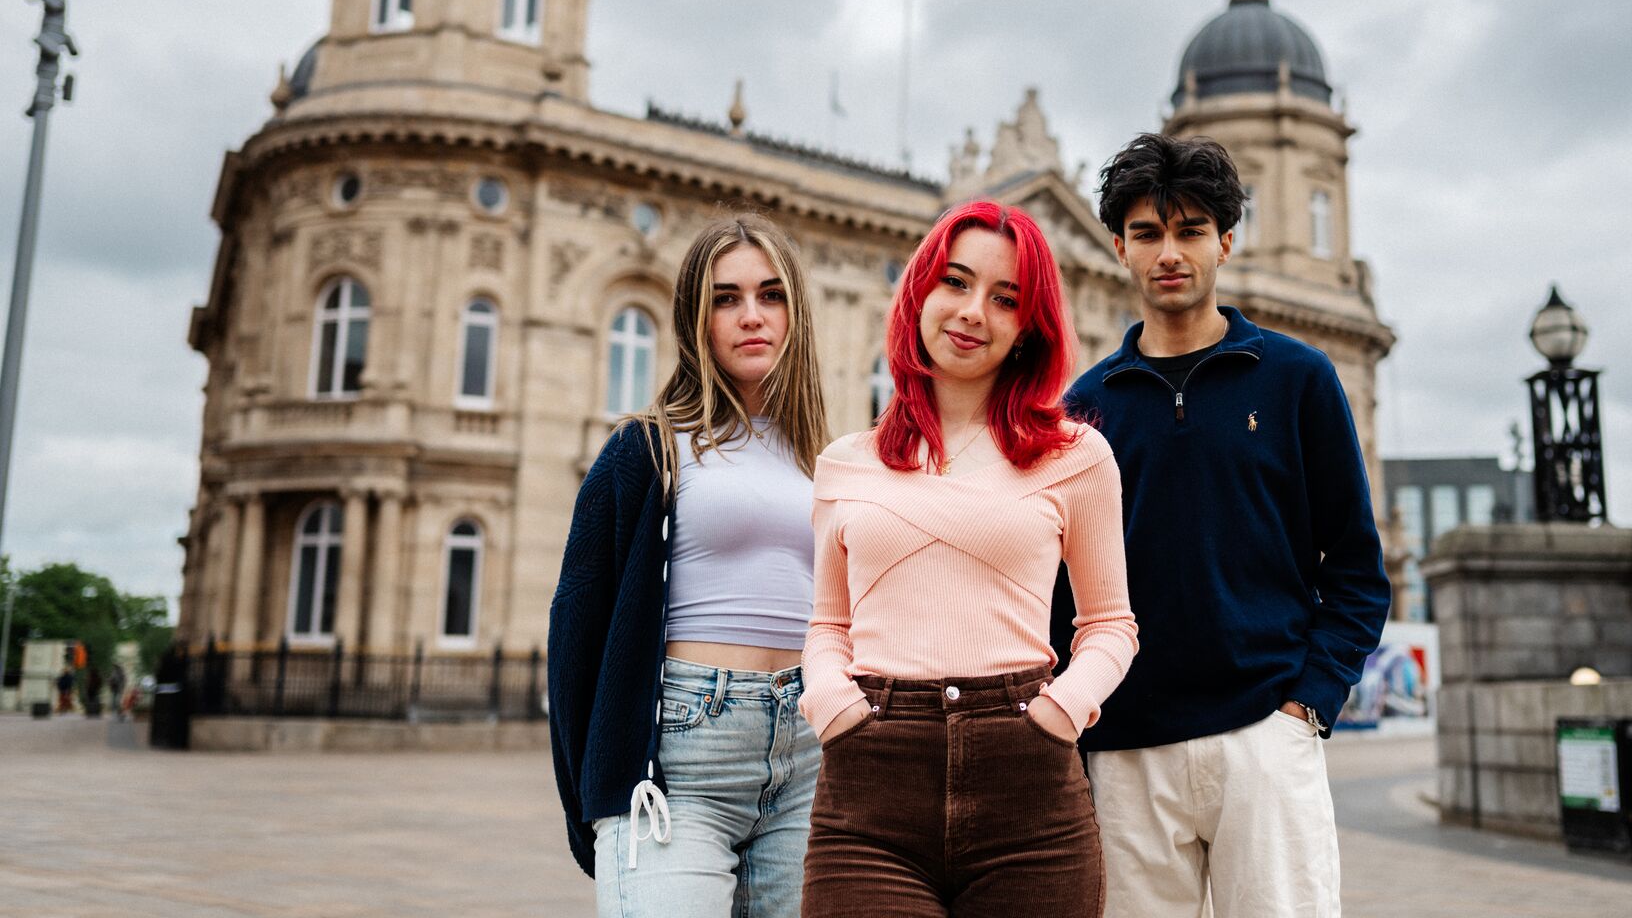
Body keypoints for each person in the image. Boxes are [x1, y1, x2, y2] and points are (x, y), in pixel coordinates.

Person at [1051, 133, 1391, 918]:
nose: (1169, 252)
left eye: (1191, 230)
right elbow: (1064, 591)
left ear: (1225, 241)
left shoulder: (1298, 380)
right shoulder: (1083, 411)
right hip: (1126, 753)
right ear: (1119, 248)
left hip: (1266, 737)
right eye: (1147, 233)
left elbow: (1354, 567)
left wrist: (1306, 704)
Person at [800, 200, 1137, 918]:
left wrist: (1063, 712)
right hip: (870, 785)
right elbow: (829, 626)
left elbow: (1111, 624)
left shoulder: (1077, 458)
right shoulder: (845, 465)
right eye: (955, 282)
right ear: (920, 291)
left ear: (1027, 329)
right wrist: (832, 705)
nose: (973, 311)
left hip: (1028, 784)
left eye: (1005, 298)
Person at [548, 213, 832, 916]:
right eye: (725, 299)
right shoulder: (647, 450)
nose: (751, 316)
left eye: (770, 295)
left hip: (807, 754)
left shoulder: (823, 460)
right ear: (694, 318)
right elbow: (575, 633)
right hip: (681, 757)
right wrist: (595, 796)